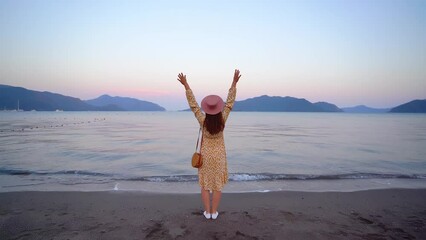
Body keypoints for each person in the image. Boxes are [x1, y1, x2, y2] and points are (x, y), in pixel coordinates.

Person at [177, 69, 241, 220]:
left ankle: (207, 212)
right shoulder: (223, 119)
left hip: (205, 157)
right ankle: (214, 212)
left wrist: (186, 85)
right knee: (217, 185)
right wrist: (234, 82)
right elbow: (230, 103)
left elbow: (193, 105)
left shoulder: (202, 121)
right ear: (219, 109)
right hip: (219, 157)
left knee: (205, 185)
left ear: (207, 109)